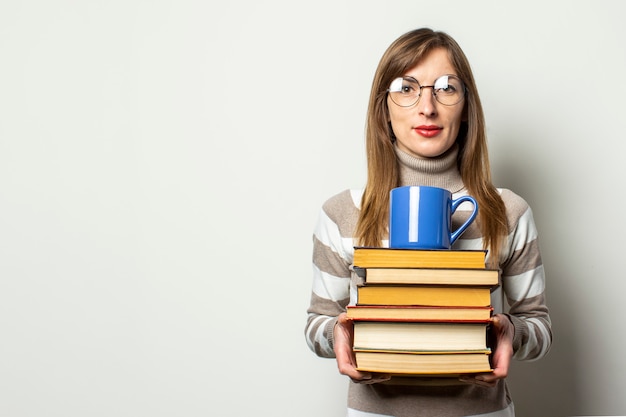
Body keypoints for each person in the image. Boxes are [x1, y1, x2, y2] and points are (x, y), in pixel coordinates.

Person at [304, 28, 552, 417]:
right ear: (383, 106)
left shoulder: (508, 211)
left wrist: (510, 331)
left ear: (467, 105)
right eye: (406, 88)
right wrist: (337, 331)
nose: (427, 107)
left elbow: (538, 327)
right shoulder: (342, 212)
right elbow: (316, 325)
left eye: (446, 88)